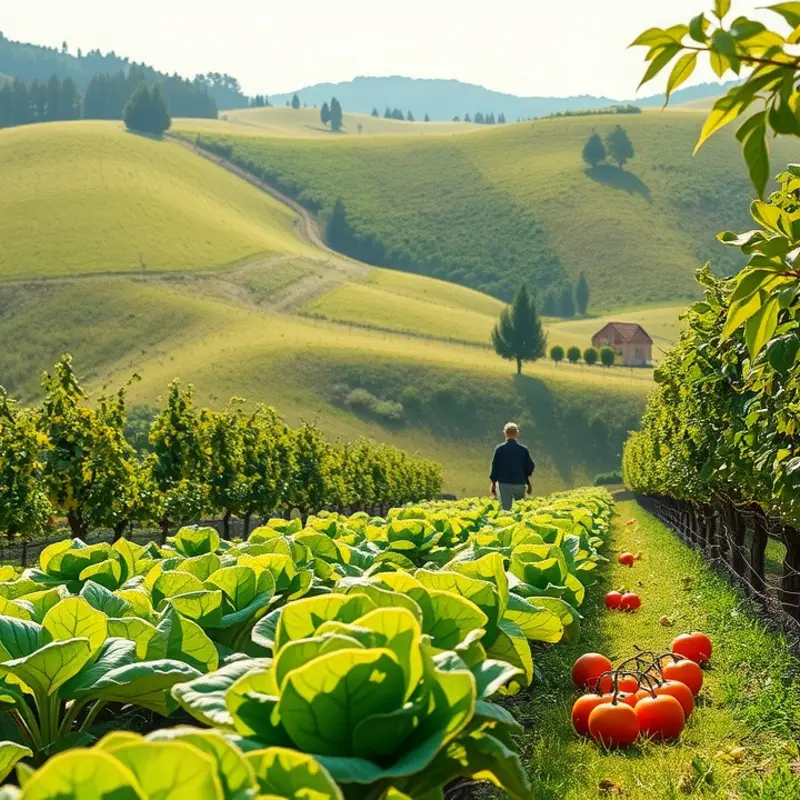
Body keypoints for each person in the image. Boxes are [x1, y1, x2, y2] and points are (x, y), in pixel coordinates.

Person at [489, 422, 535, 511]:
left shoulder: (499, 449)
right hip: (519, 483)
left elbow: (495, 467)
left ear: (505, 433)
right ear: (517, 434)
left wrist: (493, 484)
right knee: (520, 509)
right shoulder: (523, 450)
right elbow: (529, 467)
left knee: (506, 509)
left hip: (504, 484)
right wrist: (528, 483)